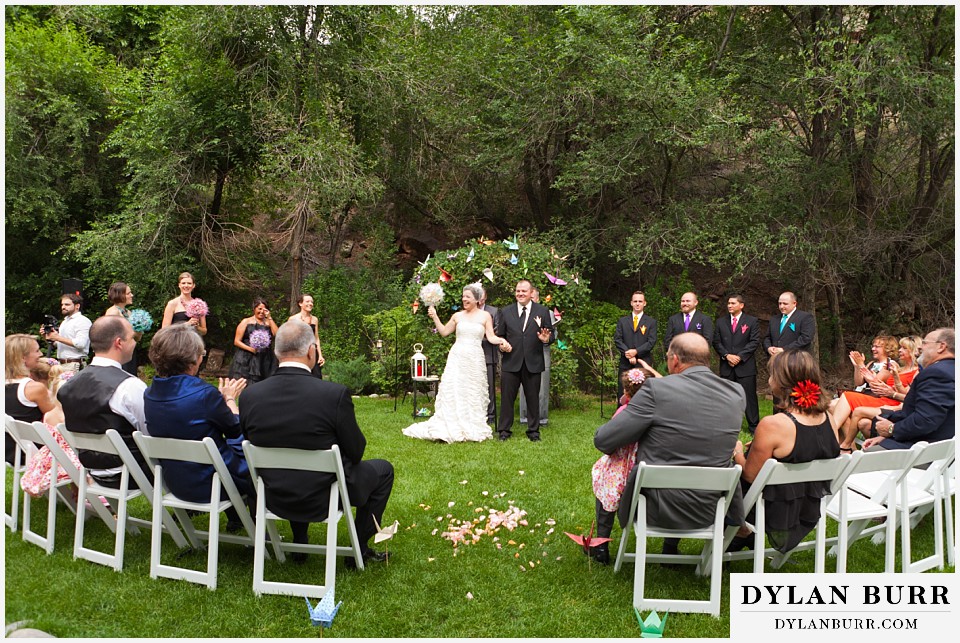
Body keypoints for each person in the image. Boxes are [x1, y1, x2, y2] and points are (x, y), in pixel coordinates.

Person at [240, 320, 395, 567]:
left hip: (271, 494)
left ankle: (300, 542)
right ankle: (359, 547)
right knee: (384, 470)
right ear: (311, 351)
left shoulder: (250, 395)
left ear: (277, 352)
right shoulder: (333, 394)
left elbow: (248, 442)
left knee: (290, 463)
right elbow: (356, 452)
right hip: (325, 497)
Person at [594, 334, 744, 558]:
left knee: (607, 468)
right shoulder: (736, 393)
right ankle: (671, 549)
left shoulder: (657, 389)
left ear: (674, 360)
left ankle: (601, 543)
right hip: (711, 509)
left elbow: (604, 440)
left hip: (654, 509)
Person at [728, 349, 840, 553]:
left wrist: (737, 452)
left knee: (725, 474)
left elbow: (750, 475)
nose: (769, 380)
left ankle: (740, 532)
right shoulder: (829, 419)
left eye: (771, 375)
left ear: (782, 382)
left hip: (771, 508)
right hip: (806, 506)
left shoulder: (774, 424)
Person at [144, 324, 251, 529]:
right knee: (244, 443)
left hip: (176, 482)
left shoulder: (150, 394)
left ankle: (235, 519)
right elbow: (235, 429)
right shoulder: (204, 394)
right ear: (193, 359)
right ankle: (255, 528)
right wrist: (229, 400)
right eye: (201, 353)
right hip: (214, 484)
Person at [403, 283, 507, 443]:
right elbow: (444, 332)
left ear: (477, 299)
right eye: (463, 296)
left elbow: (491, 337)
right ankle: (451, 423)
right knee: (455, 390)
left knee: (472, 391)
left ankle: (472, 424)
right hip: (457, 358)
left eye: (468, 297)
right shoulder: (458, 316)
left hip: (475, 359)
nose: (464, 299)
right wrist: (435, 316)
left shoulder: (485, 316)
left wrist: (501, 341)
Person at [57, 316, 150, 487]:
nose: (135, 343)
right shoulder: (129, 385)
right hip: (130, 472)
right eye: (132, 338)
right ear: (119, 343)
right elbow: (149, 433)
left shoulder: (67, 385)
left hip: (91, 469)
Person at [589, 363, 661, 564]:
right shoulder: (659, 410)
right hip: (645, 465)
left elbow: (610, 439)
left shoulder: (625, 412)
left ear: (628, 390)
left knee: (606, 492)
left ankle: (601, 544)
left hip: (621, 466)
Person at [862, 328, 955, 451]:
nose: (920, 348)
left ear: (941, 347)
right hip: (940, 447)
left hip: (925, 450)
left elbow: (925, 420)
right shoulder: (950, 370)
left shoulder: (937, 373)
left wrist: (892, 430)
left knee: (859, 460)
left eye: (925, 343)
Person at [834, 335, 920, 451]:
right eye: (900, 348)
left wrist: (864, 370)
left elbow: (907, 396)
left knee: (846, 397)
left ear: (913, 350)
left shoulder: (906, 369)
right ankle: (846, 446)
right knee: (833, 406)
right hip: (882, 398)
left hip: (891, 404)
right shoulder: (898, 369)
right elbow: (863, 384)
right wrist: (860, 368)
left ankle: (842, 444)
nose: (900, 350)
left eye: (904, 348)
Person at [495, 279, 554, 442]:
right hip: (511, 362)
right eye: (518, 291)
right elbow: (500, 336)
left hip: (533, 362)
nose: (520, 294)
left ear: (531, 293)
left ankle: (533, 431)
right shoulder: (505, 311)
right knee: (507, 398)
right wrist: (502, 345)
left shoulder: (542, 311)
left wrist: (545, 339)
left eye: (523, 291)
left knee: (533, 398)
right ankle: (504, 431)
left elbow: (550, 336)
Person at [712, 294, 761, 434]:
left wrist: (739, 357)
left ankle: (754, 427)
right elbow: (716, 342)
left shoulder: (751, 321)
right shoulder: (721, 322)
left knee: (749, 397)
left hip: (745, 366)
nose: (729, 305)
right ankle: (728, 426)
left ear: (741, 305)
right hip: (727, 366)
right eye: (728, 303)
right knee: (726, 397)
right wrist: (727, 355)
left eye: (733, 303)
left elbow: (754, 342)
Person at [5, 334, 56, 464]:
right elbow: (56, 419)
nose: (40, 354)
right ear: (23, 358)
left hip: (8, 450)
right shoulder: (33, 388)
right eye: (37, 351)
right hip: (30, 451)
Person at [763, 291, 815, 408]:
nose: (781, 306)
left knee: (795, 395)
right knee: (778, 395)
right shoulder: (774, 319)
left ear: (794, 303)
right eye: (780, 303)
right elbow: (767, 338)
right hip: (777, 363)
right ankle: (778, 419)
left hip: (796, 363)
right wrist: (768, 348)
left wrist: (784, 349)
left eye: (785, 304)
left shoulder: (805, 317)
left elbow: (805, 339)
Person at [520, 288, 556, 428]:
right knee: (523, 387)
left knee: (542, 387)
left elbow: (553, 335)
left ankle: (541, 418)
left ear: (537, 299)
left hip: (542, 352)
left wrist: (546, 339)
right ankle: (524, 416)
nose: (531, 300)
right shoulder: (520, 312)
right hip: (524, 354)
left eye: (533, 297)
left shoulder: (547, 313)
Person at [614, 291, 658, 403]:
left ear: (645, 303)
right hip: (625, 362)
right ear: (631, 303)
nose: (637, 304)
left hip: (643, 362)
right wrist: (628, 353)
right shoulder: (622, 321)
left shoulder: (651, 322)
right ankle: (621, 413)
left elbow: (651, 342)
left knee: (643, 390)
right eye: (635, 301)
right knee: (623, 389)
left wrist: (636, 352)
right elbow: (618, 340)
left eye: (640, 301)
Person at [228, 297, 279, 384]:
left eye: (264, 309)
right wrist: (251, 349)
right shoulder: (246, 321)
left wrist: (270, 318)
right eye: (259, 309)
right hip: (247, 357)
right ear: (254, 309)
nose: (262, 312)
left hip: (265, 357)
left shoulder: (269, 322)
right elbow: (237, 341)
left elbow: (277, 335)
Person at [40, 293, 91, 371]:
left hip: (75, 365)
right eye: (62, 304)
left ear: (77, 306)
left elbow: (81, 344)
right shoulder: (65, 321)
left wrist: (58, 337)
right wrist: (48, 337)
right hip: (62, 365)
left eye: (67, 304)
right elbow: (59, 344)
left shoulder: (82, 321)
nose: (63, 307)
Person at [104, 282, 140, 376]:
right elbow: (109, 336)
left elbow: (136, 338)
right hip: (118, 352)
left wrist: (140, 328)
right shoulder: (112, 312)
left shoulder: (128, 312)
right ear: (120, 295)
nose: (131, 295)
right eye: (128, 293)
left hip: (129, 351)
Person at [287, 293, 326, 379]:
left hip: (312, 352)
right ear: (300, 303)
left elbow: (316, 338)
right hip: (299, 352)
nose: (310, 304)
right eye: (307, 301)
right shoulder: (293, 319)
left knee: (316, 377)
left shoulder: (315, 319)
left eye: (312, 302)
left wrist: (320, 355)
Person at [160, 272, 208, 336]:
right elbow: (164, 330)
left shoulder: (199, 305)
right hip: (176, 343)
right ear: (179, 285)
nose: (186, 285)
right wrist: (186, 325)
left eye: (189, 283)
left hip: (194, 343)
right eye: (183, 283)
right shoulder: (172, 304)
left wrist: (197, 327)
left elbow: (204, 331)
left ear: (193, 285)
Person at [479, 288, 500, 424]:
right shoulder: (467, 312)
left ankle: (490, 414)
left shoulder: (493, 311)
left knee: (489, 386)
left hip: (488, 353)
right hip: (471, 353)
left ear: (485, 297)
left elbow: (497, 330)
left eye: (481, 295)